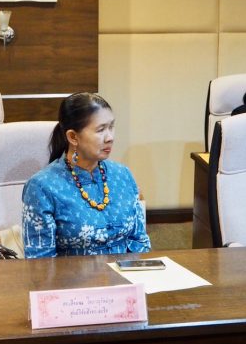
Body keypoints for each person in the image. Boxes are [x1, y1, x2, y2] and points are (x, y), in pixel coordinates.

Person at [22, 93, 151, 258]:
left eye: (111, 127)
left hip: (127, 272)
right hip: (72, 274)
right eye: (101, 130)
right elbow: (41, 263)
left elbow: (140, 241)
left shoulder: (123, 175)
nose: (110, 137)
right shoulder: (42, 187)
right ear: (73, 137)